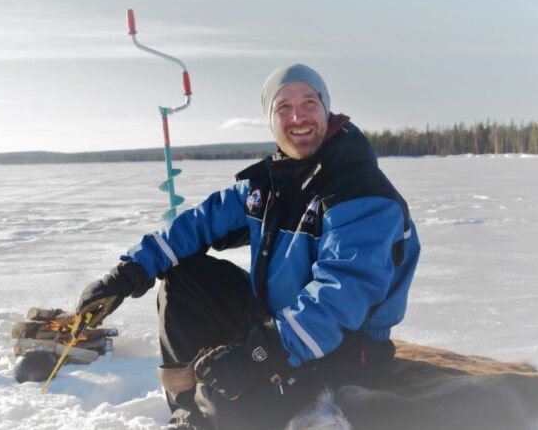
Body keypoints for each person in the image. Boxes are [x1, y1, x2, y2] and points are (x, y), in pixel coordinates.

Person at [76, 64, 421, 429]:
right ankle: (188, 418)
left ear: (327, 110)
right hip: (277, 322)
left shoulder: (359, 192)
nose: (297, 116)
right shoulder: (273, 183)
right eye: (283, 107)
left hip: (345, 349)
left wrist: (258, 354)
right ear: (271, 120)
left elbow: (340, 299)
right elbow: (200, 223)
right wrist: (130, 271)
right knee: (185, 275)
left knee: (228, 403)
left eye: (308, 103)